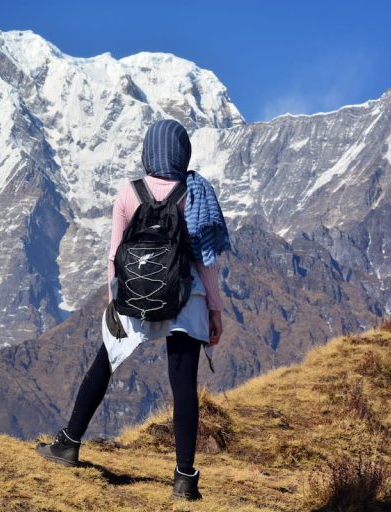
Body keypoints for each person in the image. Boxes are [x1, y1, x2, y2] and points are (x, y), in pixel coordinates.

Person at [35, 119, 230, 501]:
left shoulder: (129, 192)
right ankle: (184, 479)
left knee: (103, 365)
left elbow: (114, 255)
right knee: (183, 386)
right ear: (182, 151)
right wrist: (216, 310)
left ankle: (69, 443)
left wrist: (116, 301)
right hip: (185, 298)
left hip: (135, 295)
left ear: (148, 151)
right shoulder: (194, 193)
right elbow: (205, 261)